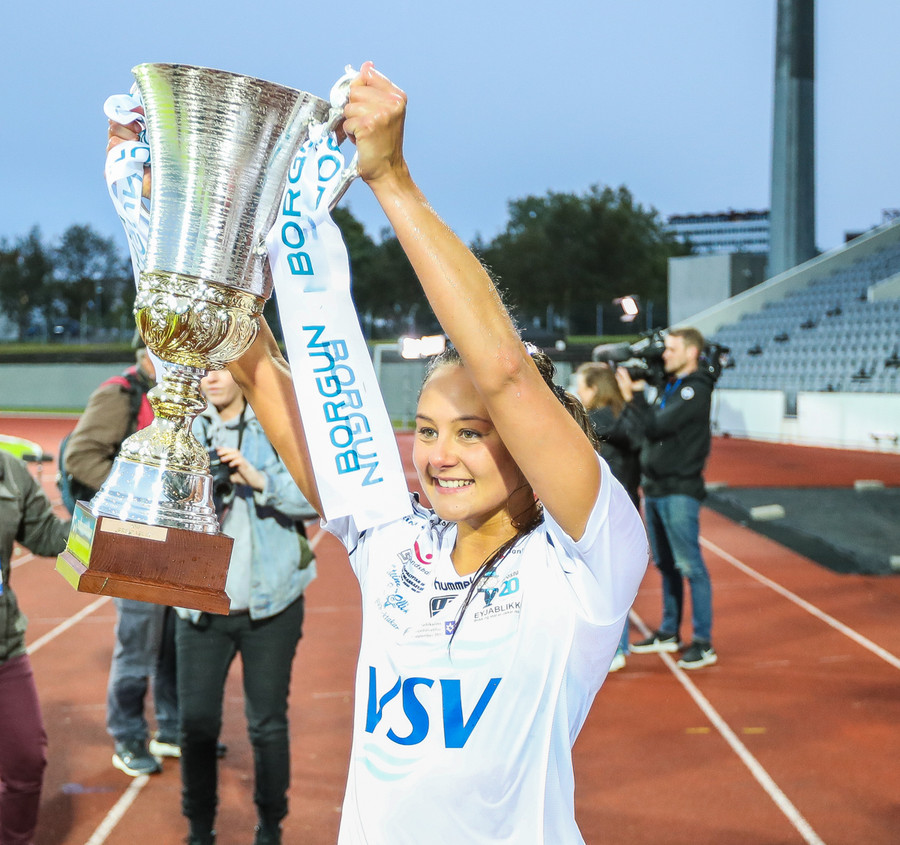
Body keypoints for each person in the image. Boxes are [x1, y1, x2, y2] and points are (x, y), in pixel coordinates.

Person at [109, 62, 648, 845]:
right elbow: (255, 364)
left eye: (472, 431)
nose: (440, 455)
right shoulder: (395, 544)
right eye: (426, 429)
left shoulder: (588, 564)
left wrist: (390, 178)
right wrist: (184, 224)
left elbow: (504, 369)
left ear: (535, 448)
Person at [176, 368, 316, 845]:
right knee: (196, 726)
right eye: (202, 369)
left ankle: (271, 828)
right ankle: (199, 831)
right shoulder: (182, 429)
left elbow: (315, 500)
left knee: (267, 725)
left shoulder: (277, 424)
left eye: (221, 367)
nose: (209, 378)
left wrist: (259, 479)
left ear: (240, 370)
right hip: (200, 606)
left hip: (270, 606)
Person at [63, 340, 180, 775]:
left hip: (174, 539)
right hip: (131, 538)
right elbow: (80, 456)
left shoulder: (176, 393)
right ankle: (127, 734)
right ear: (150, 349)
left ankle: (172, 727)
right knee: (138, 641)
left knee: (173, 640)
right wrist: (136, 496)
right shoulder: (121, 393)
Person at [615, 328, 718, 670]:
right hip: (657, 488)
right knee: (666, 565)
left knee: (690, 566)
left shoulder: (694, 389)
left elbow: (655, 426)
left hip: (679, 489)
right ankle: (670, 631)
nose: (665, 355)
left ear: (691, 352)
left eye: (672, 349)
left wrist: (636, 394)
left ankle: (702, 642)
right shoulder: (672, 385)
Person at [0, 451, 69, 844]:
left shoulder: (8, 471)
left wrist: (108, 526)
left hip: (3, 646)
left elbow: (44, 533)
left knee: (27, 760)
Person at [575, 361, 643, 671]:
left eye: (582, 387)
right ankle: (616, 648)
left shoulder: (601, 419)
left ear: (594, 389)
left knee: (604, 582)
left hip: (608, 512)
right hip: (620, 509)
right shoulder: (618, 415)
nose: (578, 392)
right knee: (611, 581)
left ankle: (614, 650)